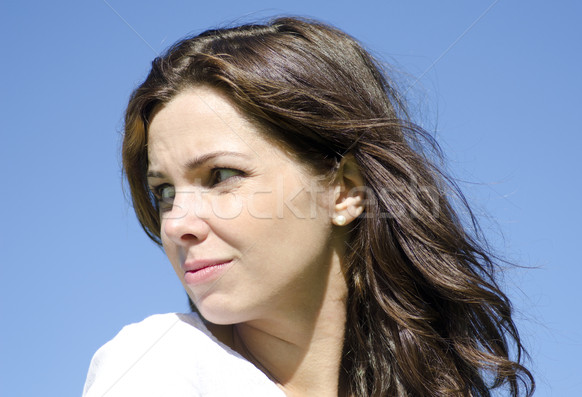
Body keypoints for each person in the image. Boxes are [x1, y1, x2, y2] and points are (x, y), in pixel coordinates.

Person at [83, 17, 535, 397]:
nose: (177, 223)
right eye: (164, 192)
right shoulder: (162, 367)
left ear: (343, 190)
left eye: (221, 176)